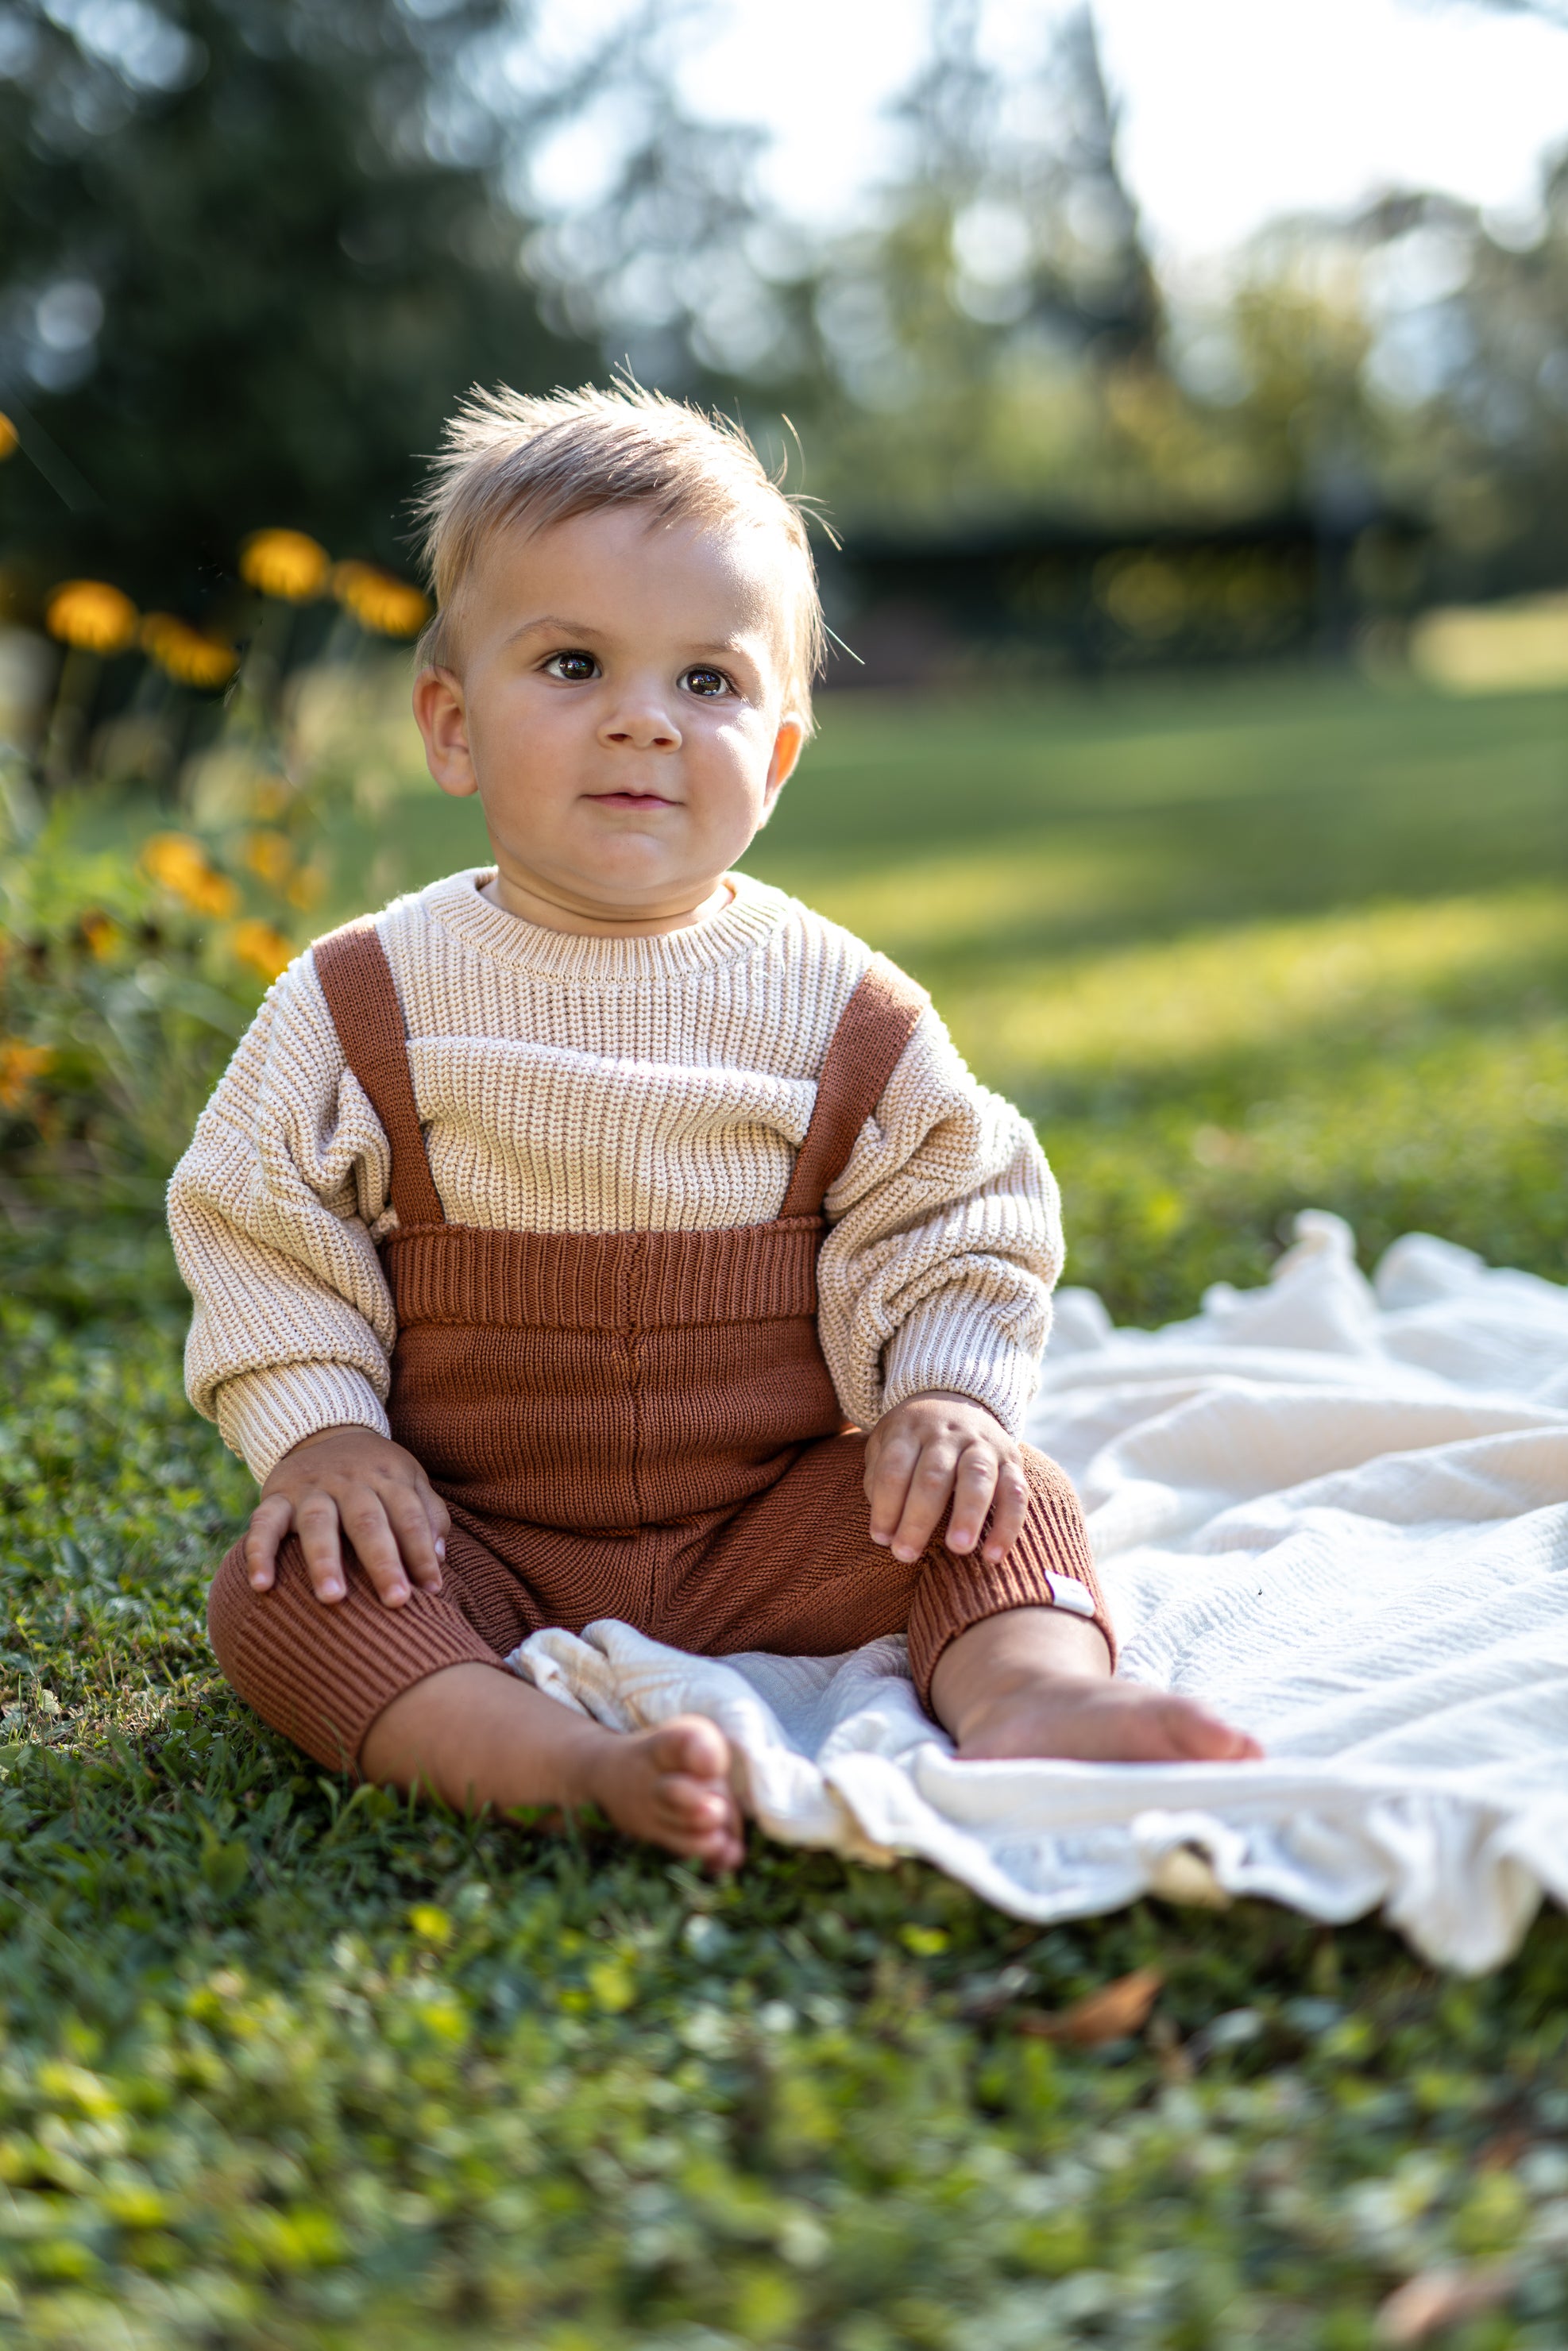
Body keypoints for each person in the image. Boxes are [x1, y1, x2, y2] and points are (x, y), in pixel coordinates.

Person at [170, 384, 1260, 1872]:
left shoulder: (838, 1005)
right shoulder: (363, 999)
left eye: (708, 683)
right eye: (572, 664)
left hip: (776, 1524)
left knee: (998, 1504)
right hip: (471, 1531)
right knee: (283, 1594)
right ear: (452, 725)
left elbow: (957, 1210)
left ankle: (1030, 1697)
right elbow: (261, 1228)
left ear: (781, 754)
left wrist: (944, 1397)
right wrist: (324, 1440)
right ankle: (547, 1757)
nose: (642, 718)